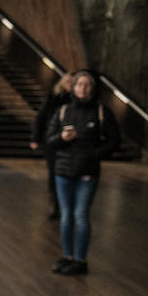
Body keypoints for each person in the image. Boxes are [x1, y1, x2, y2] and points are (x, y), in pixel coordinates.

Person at [45, 70, 119, 276]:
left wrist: (95, 153)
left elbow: (115, 141)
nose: (83, 88)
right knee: (66, 216)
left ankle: (81, 260)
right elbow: (49, 140)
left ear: (92, 89)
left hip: (87, 172)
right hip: (63, 171)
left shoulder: (102, 112)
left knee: (80, 215)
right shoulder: (63, 111)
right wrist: (62, 138)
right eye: (79, 84)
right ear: (73, 87)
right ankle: (67, 256)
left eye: (87, 85)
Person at [32, 73, 73, 219]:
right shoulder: (54, 97)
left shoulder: (78, 101)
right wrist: (36, 138)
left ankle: (65, 203)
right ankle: (54, 204)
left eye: (73, 82)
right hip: (53, 139)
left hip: (71, 142)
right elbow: (41, 117)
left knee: (68, 172)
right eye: (69, 82)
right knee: (53, 172)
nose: (71, 85)